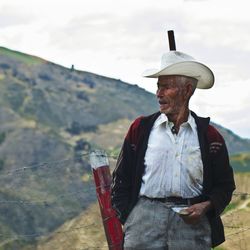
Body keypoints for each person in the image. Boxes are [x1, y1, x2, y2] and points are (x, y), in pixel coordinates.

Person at [111, 50, 235, 249]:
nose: (158, 94)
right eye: (158, 87)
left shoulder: (210, 137)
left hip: (192, 225)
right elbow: (121, 178)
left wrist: (207, 206)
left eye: (166, 87)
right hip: (143, 220)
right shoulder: (140, 129)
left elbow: (225, 185)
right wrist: (129, 216)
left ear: (187, 91)